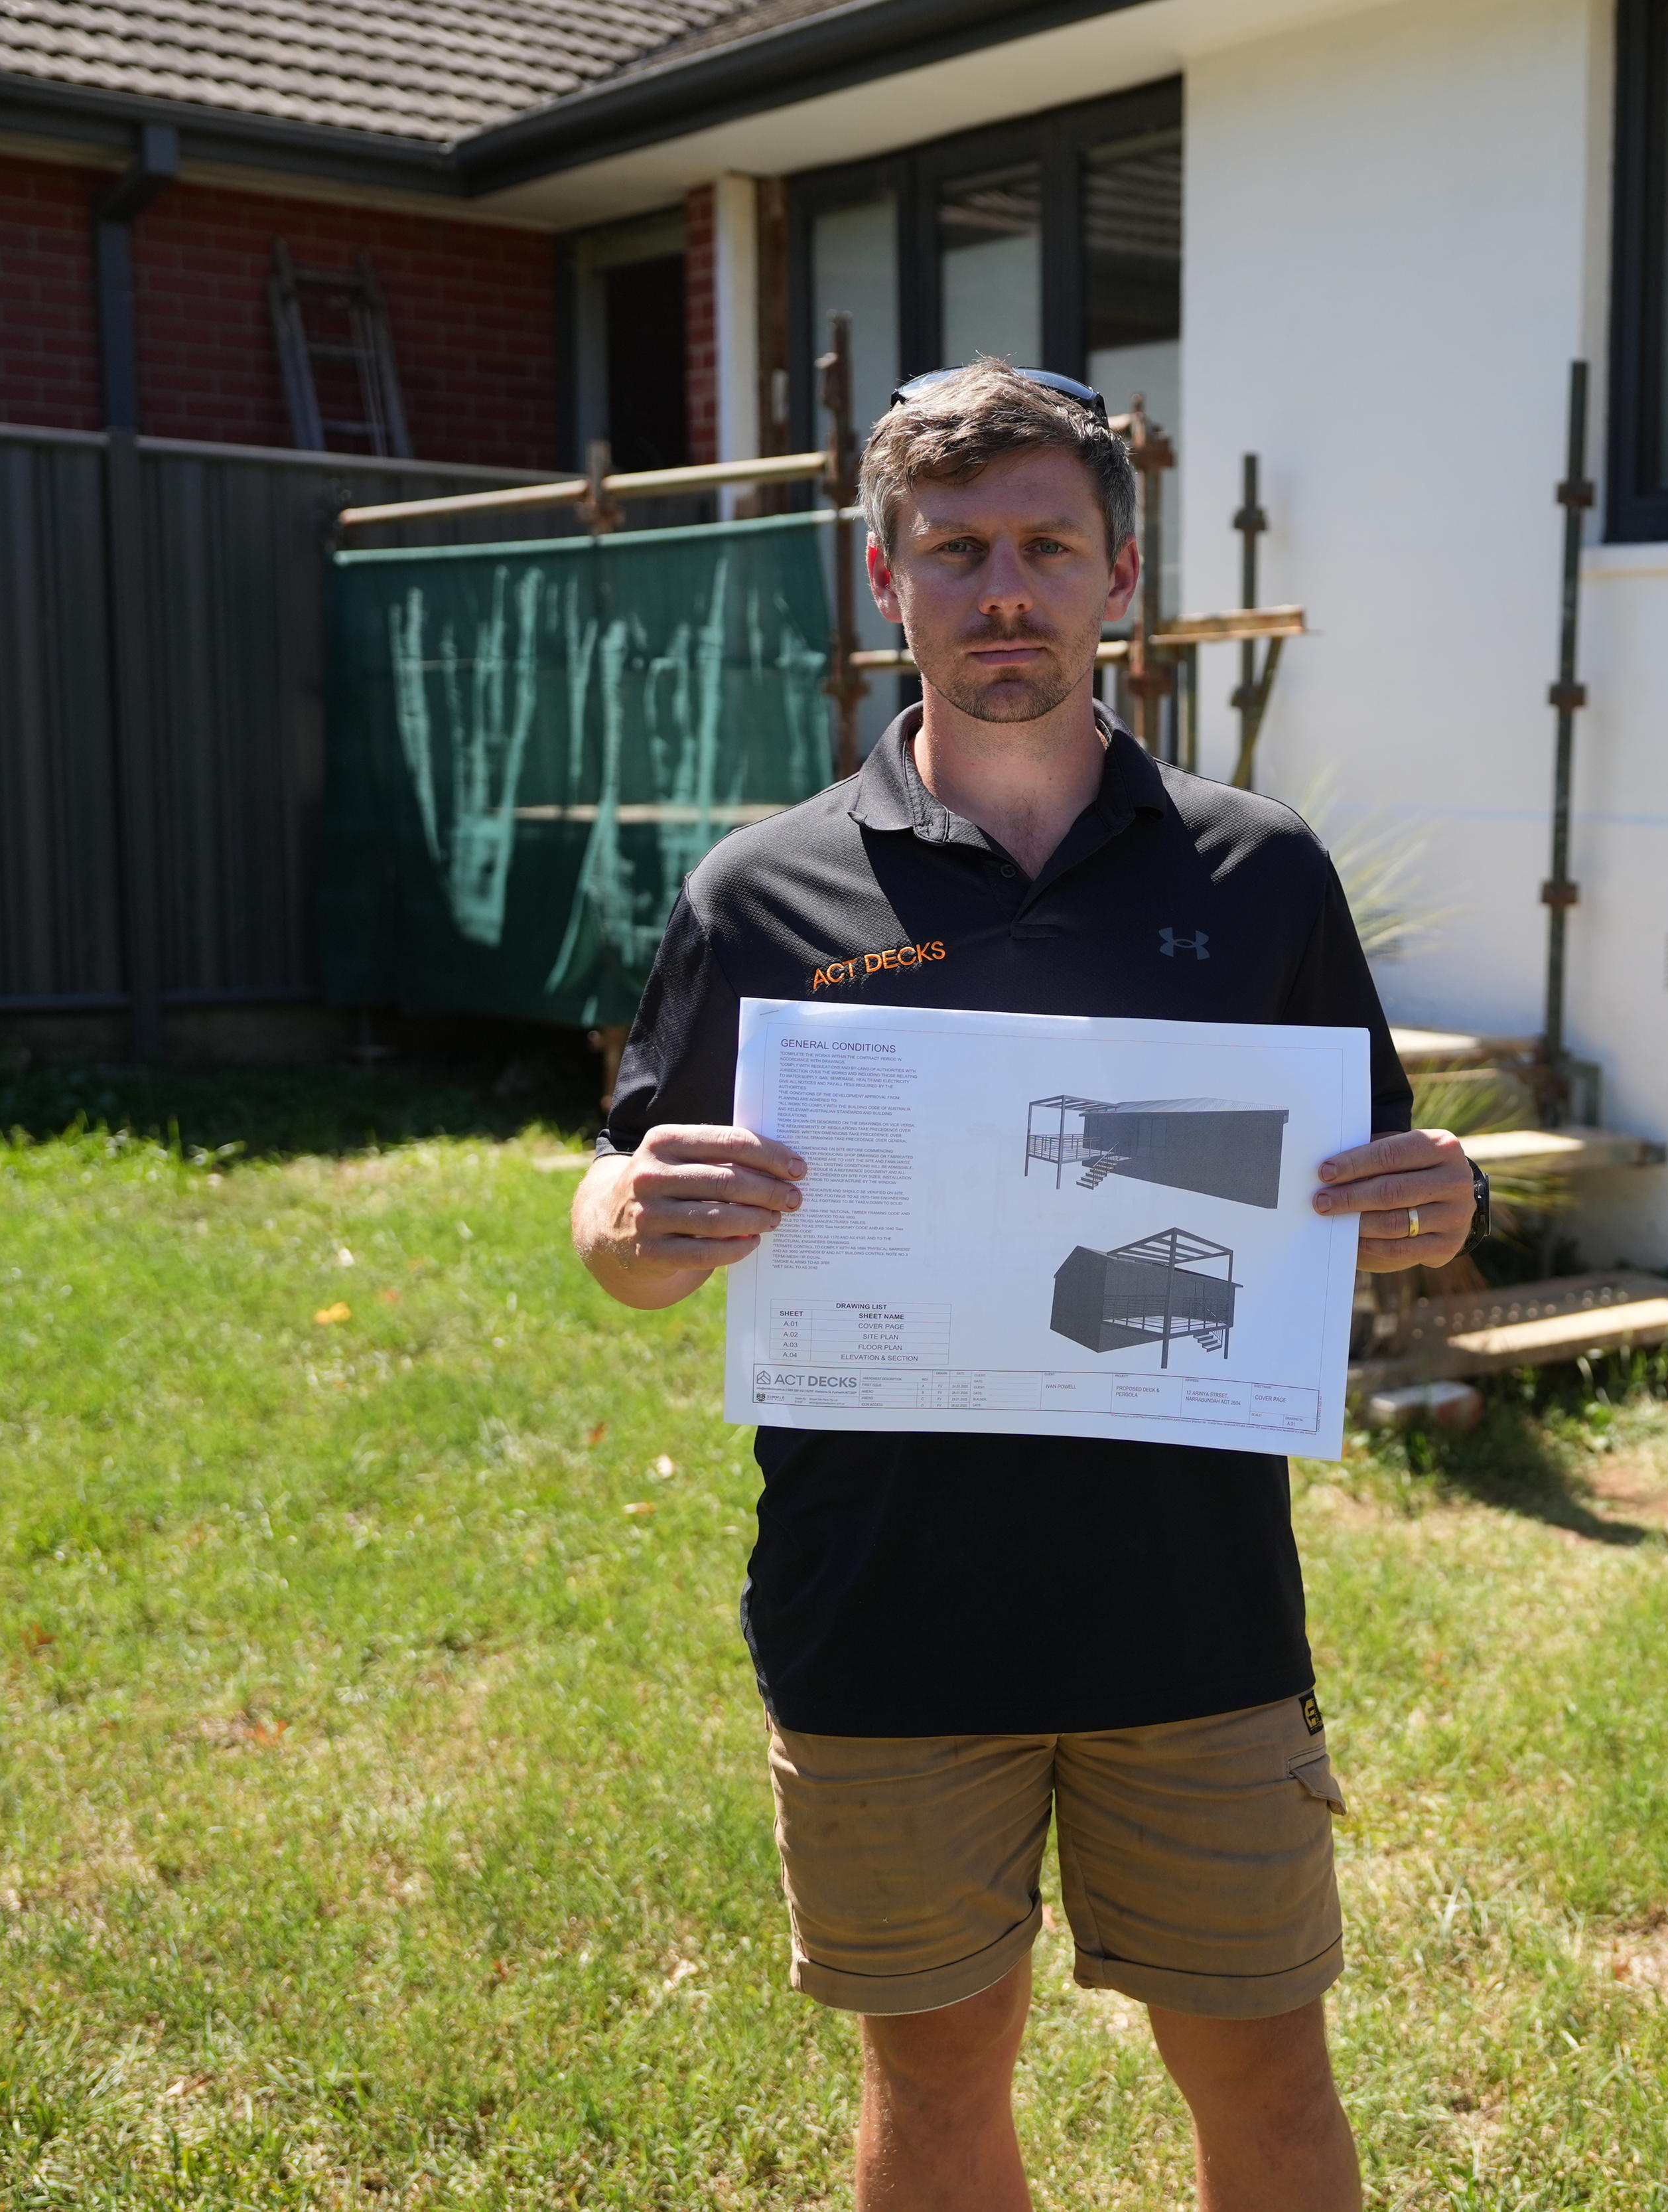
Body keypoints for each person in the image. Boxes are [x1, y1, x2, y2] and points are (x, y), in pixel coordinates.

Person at [568, 358, 1480, 2212]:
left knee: (1274, 2091)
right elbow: (623, 1192)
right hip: (890, 1604)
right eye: (957, 549)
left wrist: (1439, 1199)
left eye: (1046, 546)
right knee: (939, 2092)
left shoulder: (1255, 873)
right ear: (885, 579)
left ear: (1116, 575)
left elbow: (1378, 1178)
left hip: (1191, 1604)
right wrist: (624, 1231)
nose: (1005, 590)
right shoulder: (766, 893)